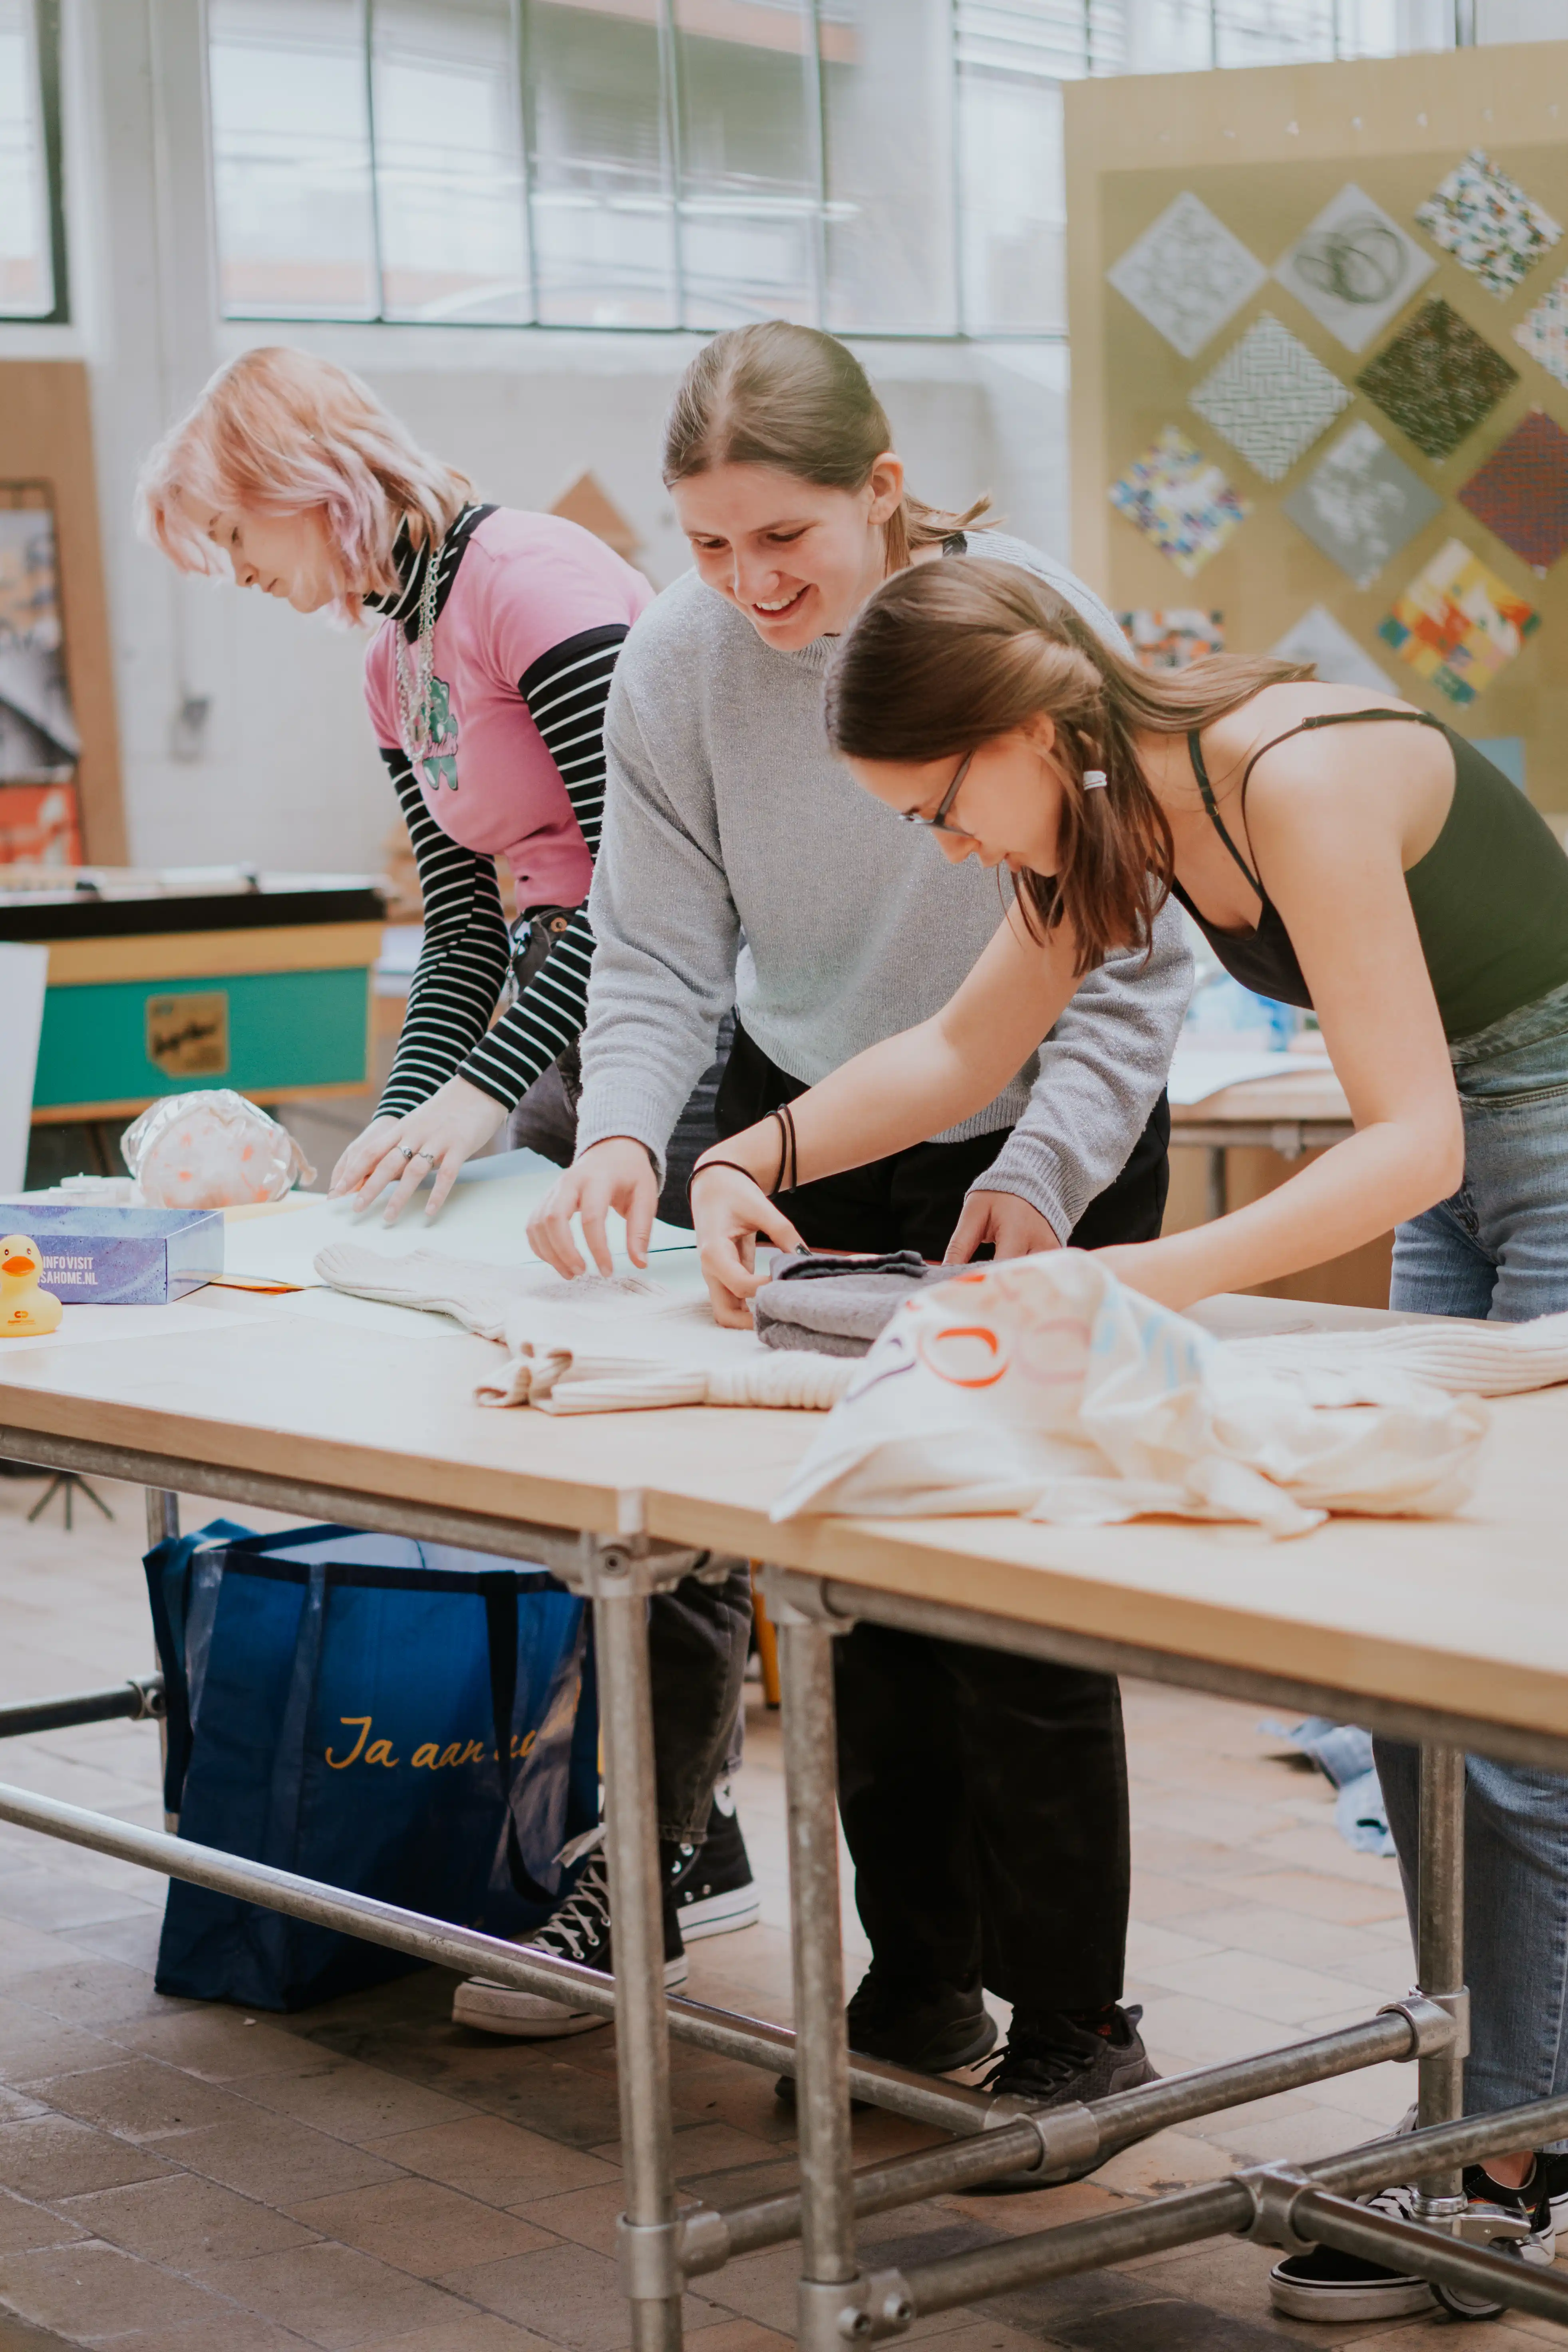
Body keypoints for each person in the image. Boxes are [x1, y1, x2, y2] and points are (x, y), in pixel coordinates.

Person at [684, 550, 1568, 2308]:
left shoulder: (1285, 777)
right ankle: (1485, 2119)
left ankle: (1501, 2160)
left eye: (940, 806)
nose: (944, 849)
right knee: (1406, 1669)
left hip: (1533, 1152)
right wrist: (740, 1157)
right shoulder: (1105, 817)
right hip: (1484, 1169)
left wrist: (1136, 1278)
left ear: (1024, 728)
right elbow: (949, 1055)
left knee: (1518, 1697)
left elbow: (1415, 1144)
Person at [530, 321, 1193, 2104]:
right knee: (859, 1578)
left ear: (883, 492)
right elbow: (660, 947)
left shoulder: (1020, 615)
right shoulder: (673, 667)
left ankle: (1079, 2025)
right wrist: (624, 1139)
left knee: (1015, 1596)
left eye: (786, 538)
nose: (750, 584)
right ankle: (921, 1987)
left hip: (1047, 1129)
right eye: (708, 542)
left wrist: (1038, 1172)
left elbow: (1130, 955)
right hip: (817, 1129)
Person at [135, 346, 758, 2035]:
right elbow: (471, 925)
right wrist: (399, 1129)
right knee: (492, 1378)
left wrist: (494, 1091)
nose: (247, 579)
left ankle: (642, 1866)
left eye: (239, 537)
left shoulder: (534, 582)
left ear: (311, 482)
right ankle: (660, 1826)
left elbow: (645, 885)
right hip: (559, 1006)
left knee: (652, 1463)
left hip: (670, 1033)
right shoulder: (388, 652)